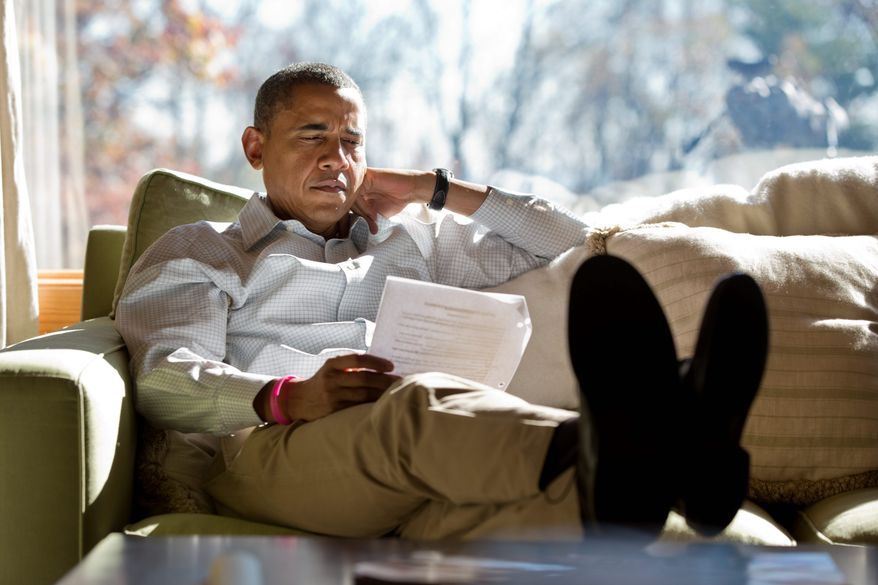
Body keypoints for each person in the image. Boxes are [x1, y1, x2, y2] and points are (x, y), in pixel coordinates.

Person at [115, 62, 768, 541]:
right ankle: (677, 441)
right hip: (266, 450)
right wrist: (285, 395)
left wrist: (436, 188)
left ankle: (654, 472)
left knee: (492, 517)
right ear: (256, 148)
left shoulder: (415, 241)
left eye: (351, 141)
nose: (337, 159)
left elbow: (567, 239)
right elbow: (163, 378)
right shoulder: (203, 250)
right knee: (415, 406)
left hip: (414, 465)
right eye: (312, 135)